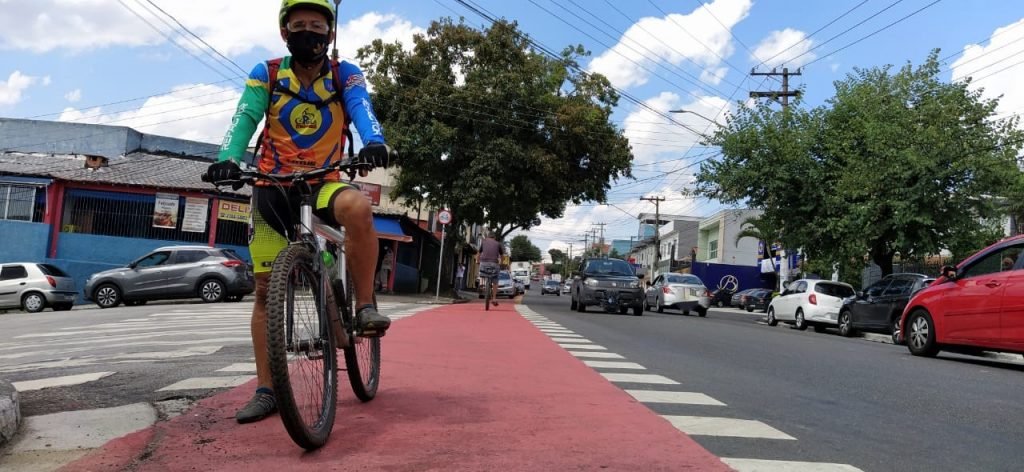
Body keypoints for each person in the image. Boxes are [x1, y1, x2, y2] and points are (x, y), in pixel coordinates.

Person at [204, 0, 392, 424]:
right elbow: (245, 118)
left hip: (326, 182)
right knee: (265, 292)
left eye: (318, 25)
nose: (309, 32)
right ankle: (267, 389)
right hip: (272, 187)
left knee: (358, 207)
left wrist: (373, 141)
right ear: (285, 33)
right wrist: (229, 157)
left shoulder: (345, 74)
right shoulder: (266, 74)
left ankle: (364, 307)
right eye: (299, 25)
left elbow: (362, 110)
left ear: (330, 33)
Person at [478, 230, 505, 306]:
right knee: (495, 280)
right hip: (494, 264)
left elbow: (478, 253)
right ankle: (494, 298)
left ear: (488, 236)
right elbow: (502, 256)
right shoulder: (498, 244)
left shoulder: (483, 242)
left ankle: (481, 285)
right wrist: (501, 263)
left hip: (483, 263)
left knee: (482, 273)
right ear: (494, 237)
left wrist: (477, 261)